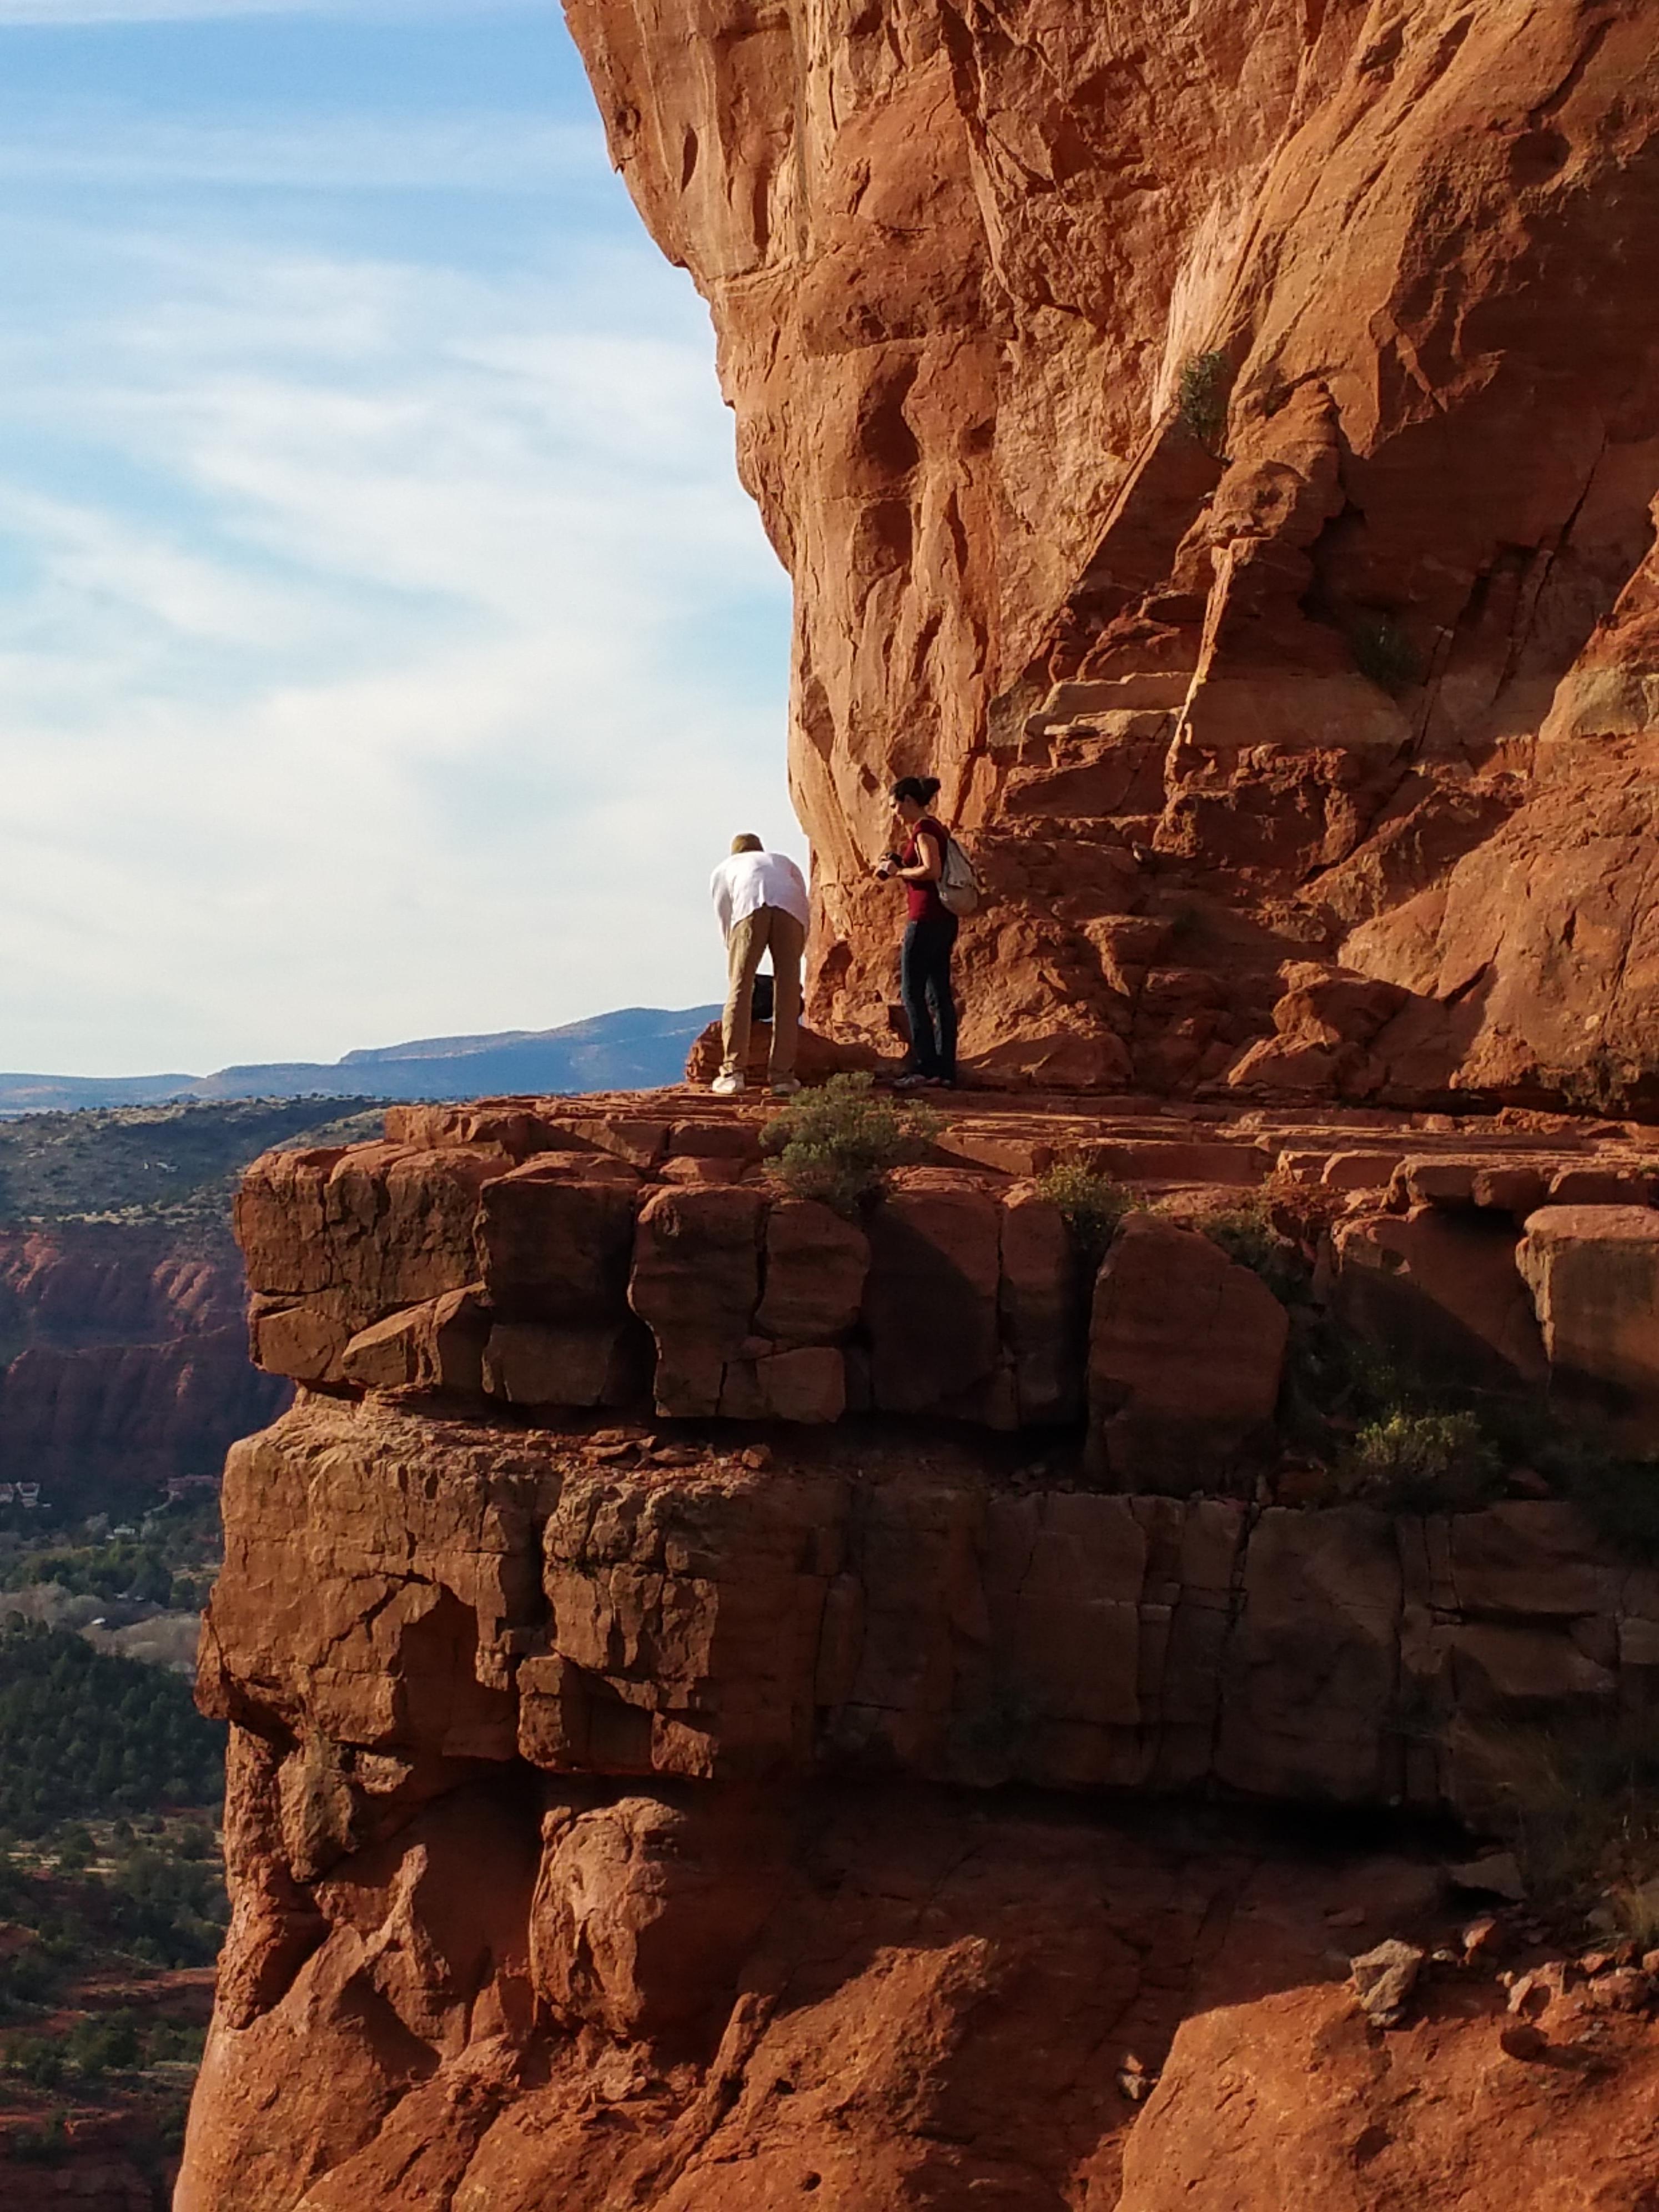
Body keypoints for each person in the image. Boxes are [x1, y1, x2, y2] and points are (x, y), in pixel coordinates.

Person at [708, 833, 810, 1097]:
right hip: (792, 912)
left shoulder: (725, 868)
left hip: (750, 908)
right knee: (787, 992)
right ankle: (783, 1078)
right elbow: (801, 896)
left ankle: (732, 1073)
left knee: (740, 988)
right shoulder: (782, 861)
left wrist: (733, 952)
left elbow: (725, 915)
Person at [876, 774, 958, 1088]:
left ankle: (925, 1067)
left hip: (925, 919)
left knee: (913, 993)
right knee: (938, 994)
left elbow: (931, 870)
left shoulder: (924, 830)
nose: (895, 812)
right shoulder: (935, 827)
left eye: (896, 805)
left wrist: (899, 872)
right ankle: (944, 1070)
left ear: (910, 801)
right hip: (944, 919)